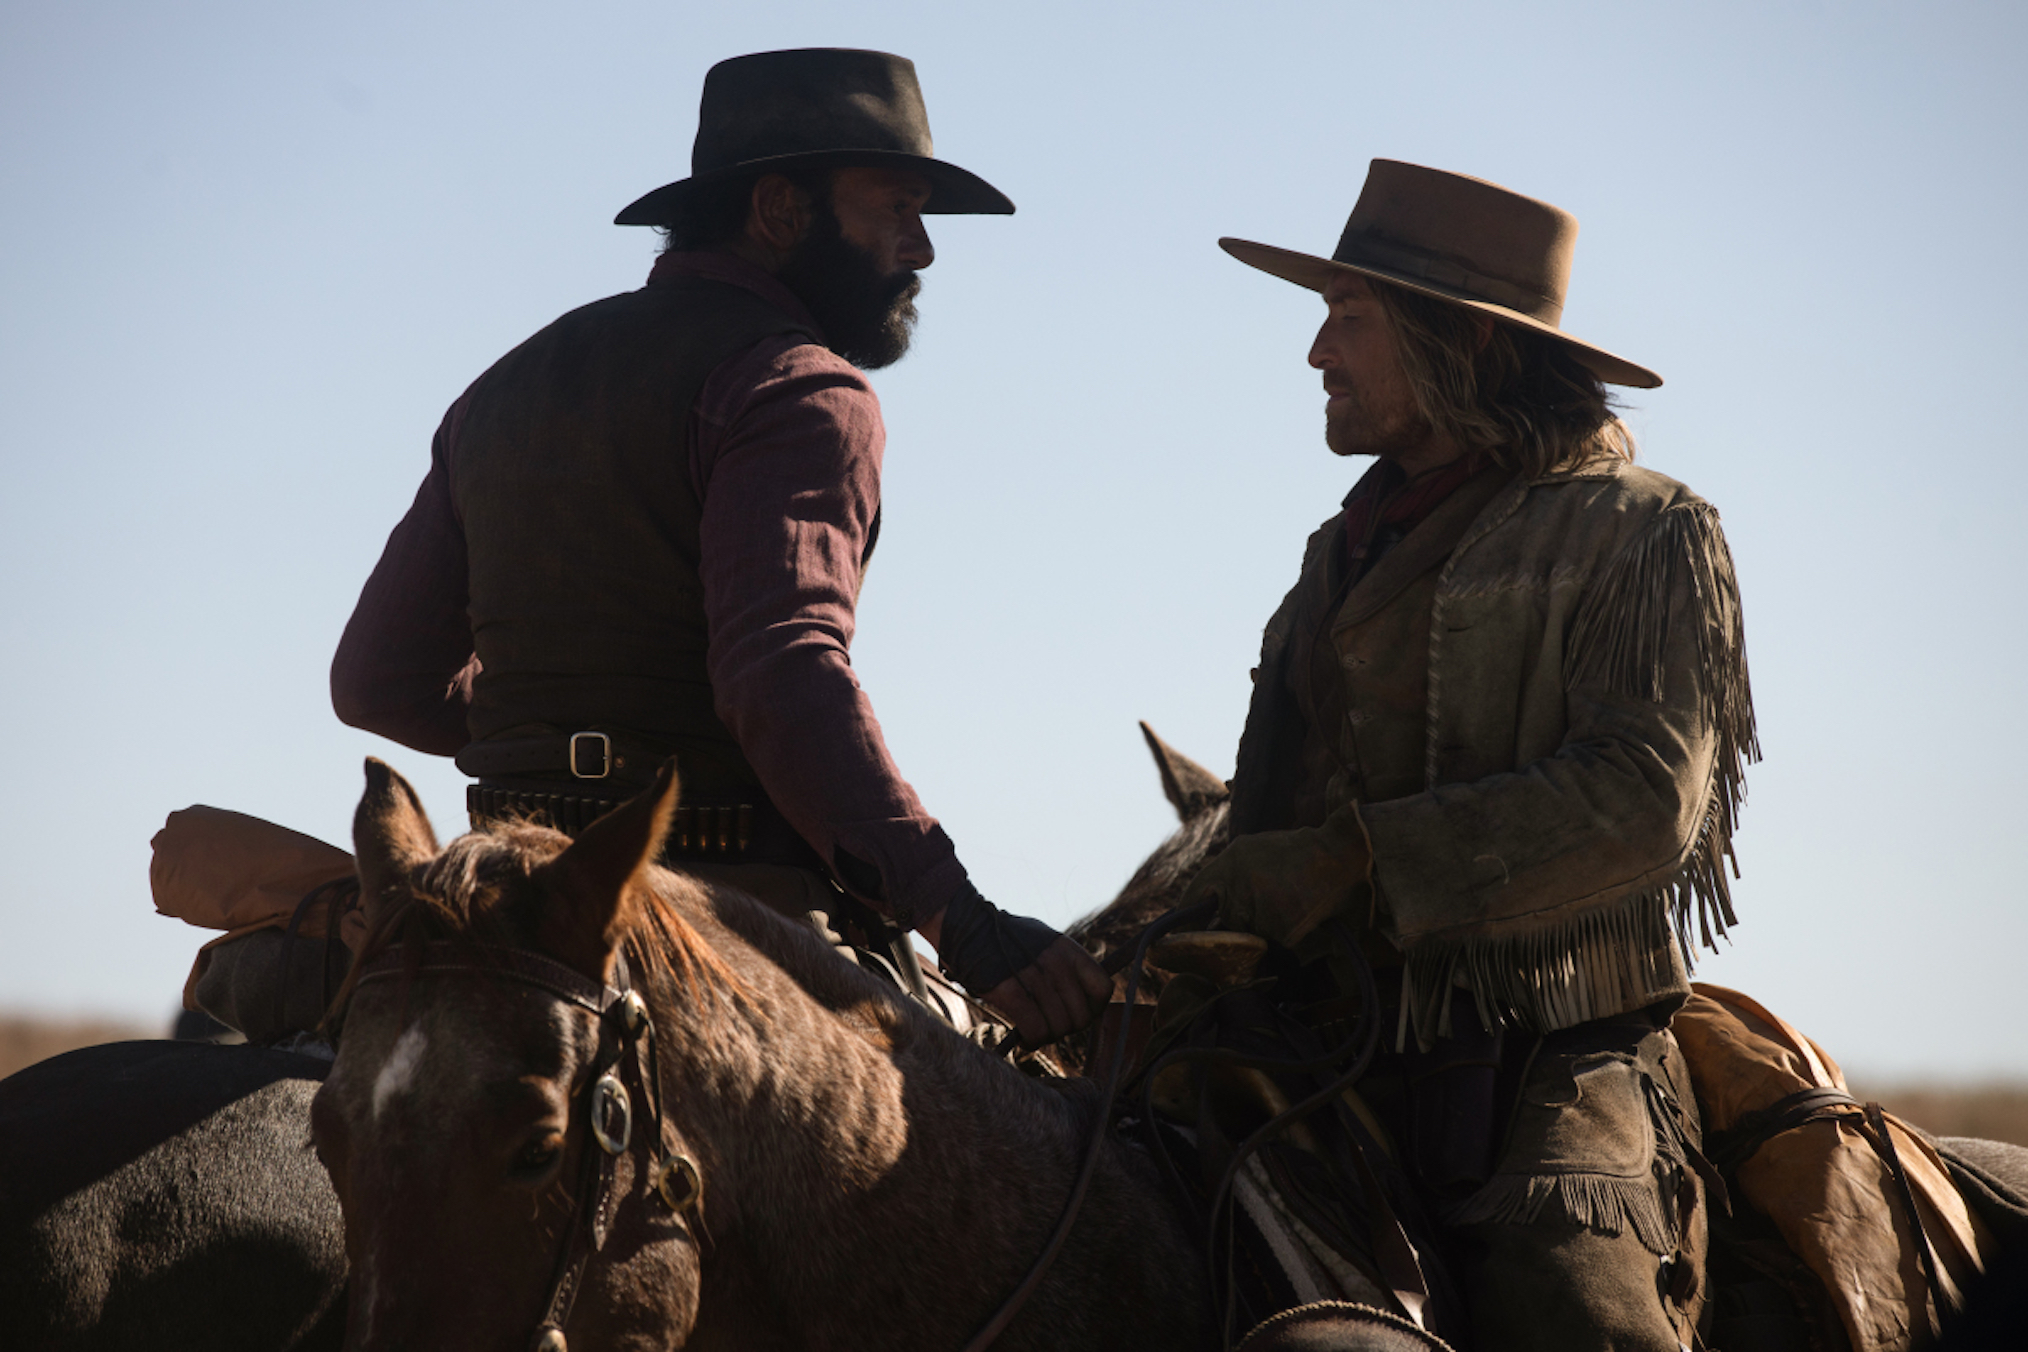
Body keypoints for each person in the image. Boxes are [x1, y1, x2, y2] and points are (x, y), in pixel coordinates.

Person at [327, 48, 1108, 1046]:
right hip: (722, 917)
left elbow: (376, 680)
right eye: (895, 210)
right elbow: (780, 677)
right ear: (781, 211)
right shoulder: (803, 387)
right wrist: (966, 920)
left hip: (498, 888)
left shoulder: (506, 383)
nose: (922, 249)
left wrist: (558, 737)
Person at [1179, 160, 1757, 1349]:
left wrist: (1354, 865)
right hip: (1312, 1020)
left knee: (1577, 1301)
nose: (1316, 354)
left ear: (1459, 345)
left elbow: (1648, 798)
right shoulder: (1334, 552)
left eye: (1349, 317)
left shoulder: (1648, 530)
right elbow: (1269, 816)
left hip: (1555, 1045)